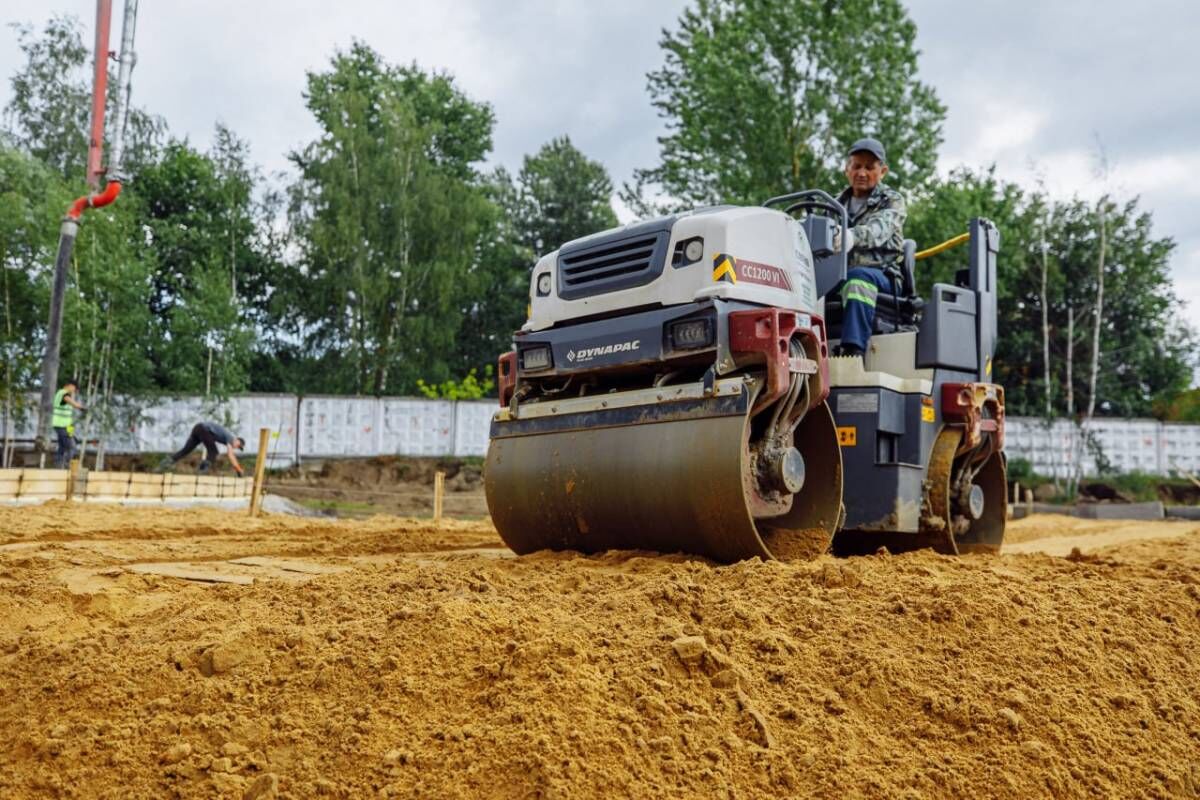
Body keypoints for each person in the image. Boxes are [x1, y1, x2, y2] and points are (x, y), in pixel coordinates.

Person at [834, 137, 908, 357]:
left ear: (882, 171)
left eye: (869, 167)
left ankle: (852, 352)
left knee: (857, 279)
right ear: (847, 169)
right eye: (856, 166)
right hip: (837, 276)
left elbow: (880, 229)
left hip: (883, 277)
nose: (862, 173)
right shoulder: (833, 204)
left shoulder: (892, 201)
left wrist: (850, 236)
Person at [163, 421, 246, 476]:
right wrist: (238, 469)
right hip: (204, 429)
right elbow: (230, 455)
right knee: (214, 452)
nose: (236, 447)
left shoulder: (229, 439)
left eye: (238, 448)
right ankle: (201, 471)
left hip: (198, 428)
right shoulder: (230, 438)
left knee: (186, 450)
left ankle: (164, 464)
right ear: (237, 440)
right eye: (238, 446)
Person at [52, 379, 86, 468]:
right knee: (72, 446)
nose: (75, 390)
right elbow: (70, 401)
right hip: (60, 425)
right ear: (70, 385)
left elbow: (68, 418)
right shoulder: (62, 393)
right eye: (75, 388)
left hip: (65, 425)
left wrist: (71, 432)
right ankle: (67, 465)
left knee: (62, 447)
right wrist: (81, 407)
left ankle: (59, 467)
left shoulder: (65, 394)